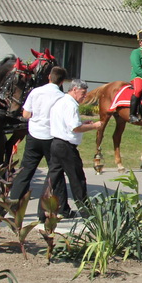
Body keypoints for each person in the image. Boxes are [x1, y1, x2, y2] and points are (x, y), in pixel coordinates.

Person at [9, 66, 68, 219]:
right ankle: (56, 208)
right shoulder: (62, 97)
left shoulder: (35, 92)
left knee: (26, 170)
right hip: (51, 137)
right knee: (55, 172)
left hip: (34, 135)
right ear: (62, 81)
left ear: (49, 77)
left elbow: (26, 114)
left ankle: (13, 203)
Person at [45, 79, 103, 218]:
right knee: (77, 179)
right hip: (66, 147)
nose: (84, 96)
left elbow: (68, 123)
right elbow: (75, 128)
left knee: (54, 179)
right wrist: (94, 126)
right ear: (74, 89)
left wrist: (83, 123)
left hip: (56, 143)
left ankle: (49, 211)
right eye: (83, 93)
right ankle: (86, 212)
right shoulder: (71, 105)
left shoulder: (61, 101)